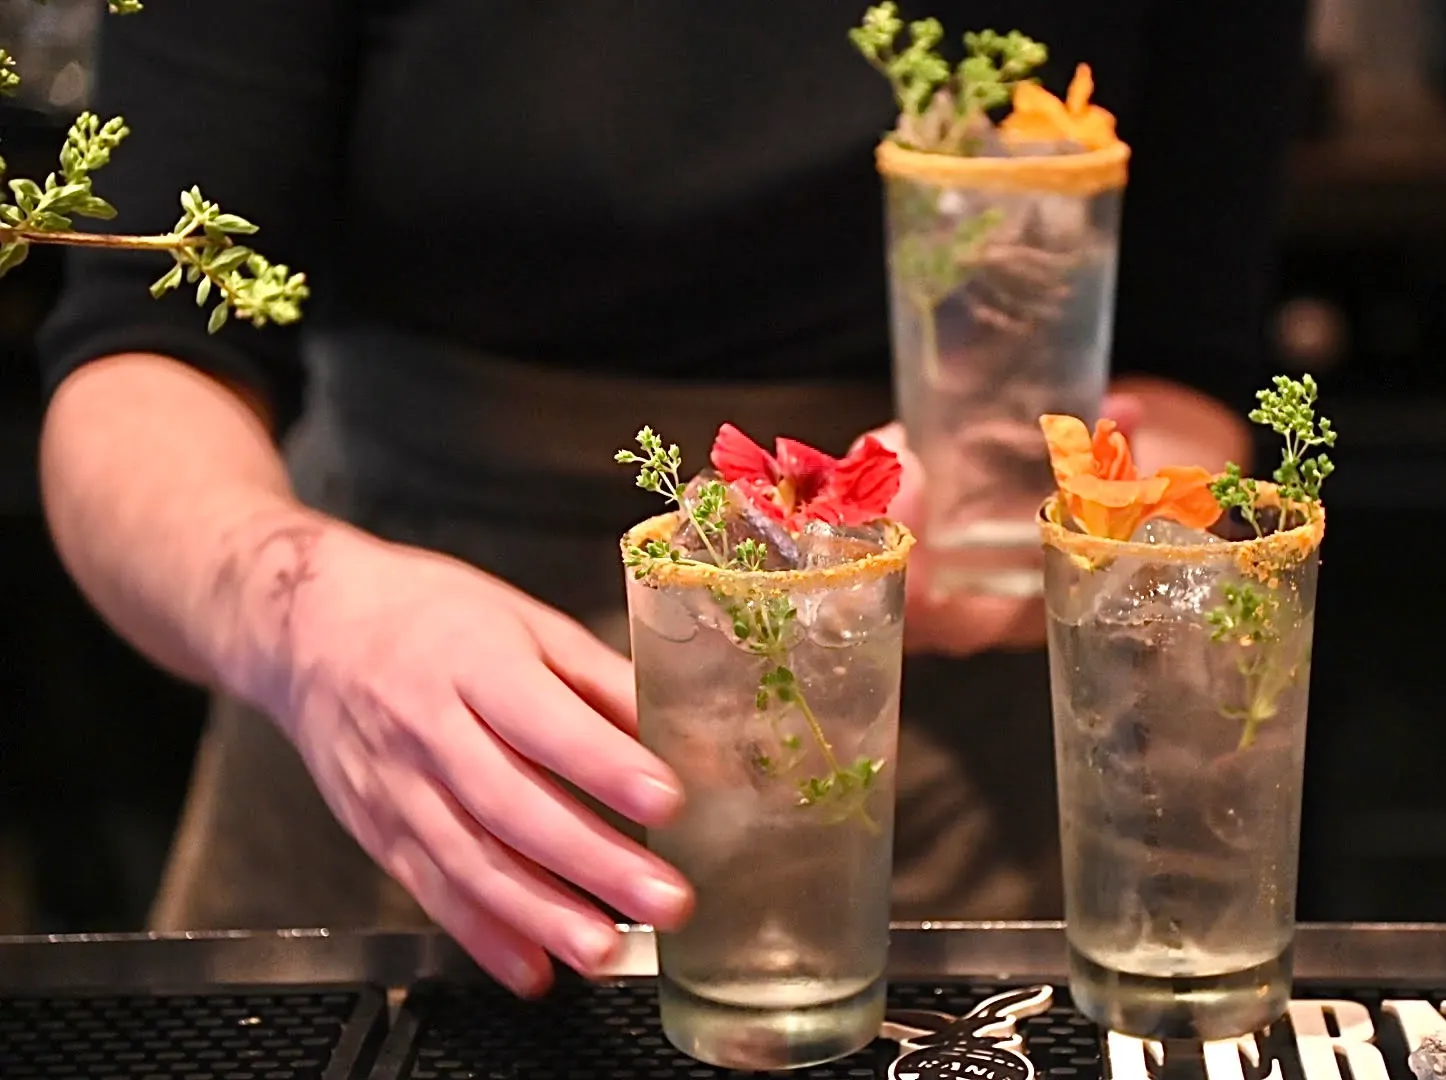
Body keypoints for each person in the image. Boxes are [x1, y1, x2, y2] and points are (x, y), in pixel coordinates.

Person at [36, 0, 1308, 996]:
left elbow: (1188, 374)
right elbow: (133, 366)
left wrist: (1016, 534)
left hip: (921, 776)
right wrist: (303, 615)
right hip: (393, 728)